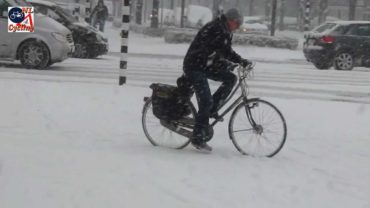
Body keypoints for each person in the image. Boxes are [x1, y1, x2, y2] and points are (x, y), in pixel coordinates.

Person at [182, 8, 251, 152]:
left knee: (230, 78)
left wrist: (234, 62)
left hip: (205, 64)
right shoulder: (217, 29)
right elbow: (221, 51)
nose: (237, 28)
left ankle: (211, 110)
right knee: (206, 100)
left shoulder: (224, 30)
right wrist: (236, 61)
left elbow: (221, 52)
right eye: (237, 25)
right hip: (195, 66)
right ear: (231, 21)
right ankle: (197, 138)